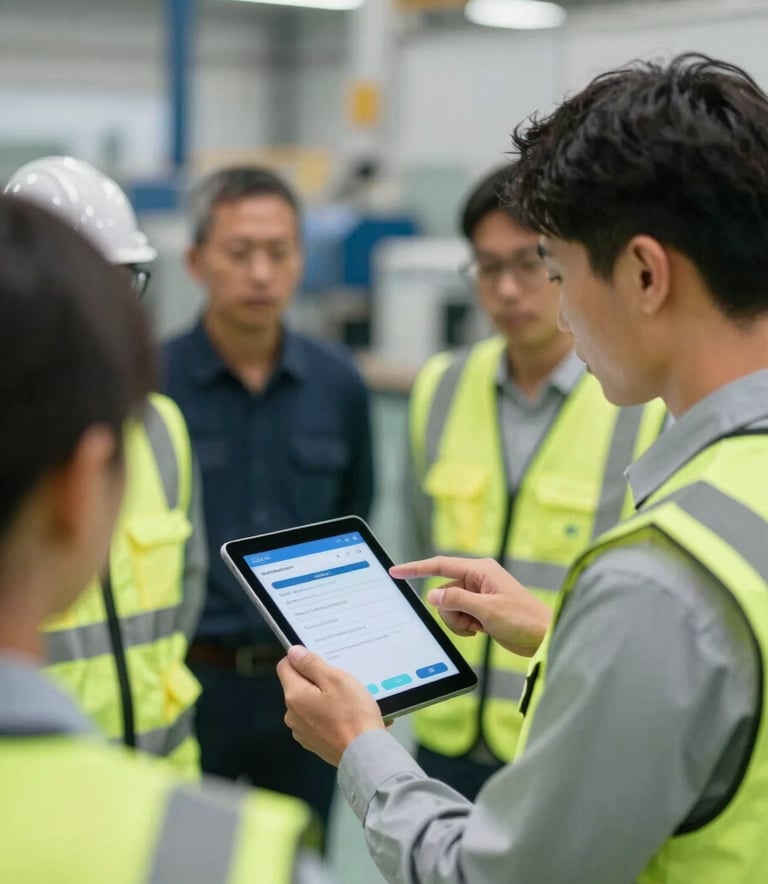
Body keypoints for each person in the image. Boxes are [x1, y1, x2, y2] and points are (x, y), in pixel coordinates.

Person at [277, 53, 768, 883]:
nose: (558, 308)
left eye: (557, 271)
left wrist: (363, 750)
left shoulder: (662, 579)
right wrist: (559, 639)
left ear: (646, 274)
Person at [0, 193, 330, 883]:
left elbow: (180, 593)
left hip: (166, 754)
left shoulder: (163, 427)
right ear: (79, 489)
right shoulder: (230, 857)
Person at [405, 164, 666, 798]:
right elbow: (414, 547)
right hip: (446, 730)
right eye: (488, 268)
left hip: (563, 728)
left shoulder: (643, 406)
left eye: (530, 264)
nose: (509, 291)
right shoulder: (440, 386)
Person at [163, 166, 374, 829]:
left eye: (278, 253)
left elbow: (355, 521)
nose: (260, 273)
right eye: (239, 252)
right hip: (193, 683)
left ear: (300, 261)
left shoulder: (338, 386)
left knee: (299, 858)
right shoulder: (150, 381)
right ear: (197, 261)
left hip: (307, 687)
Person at [4, 156, 207, 776]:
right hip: (42, 786)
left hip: (163, 779)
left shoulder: (163, 427)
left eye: (123, 286)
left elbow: (187, 590)